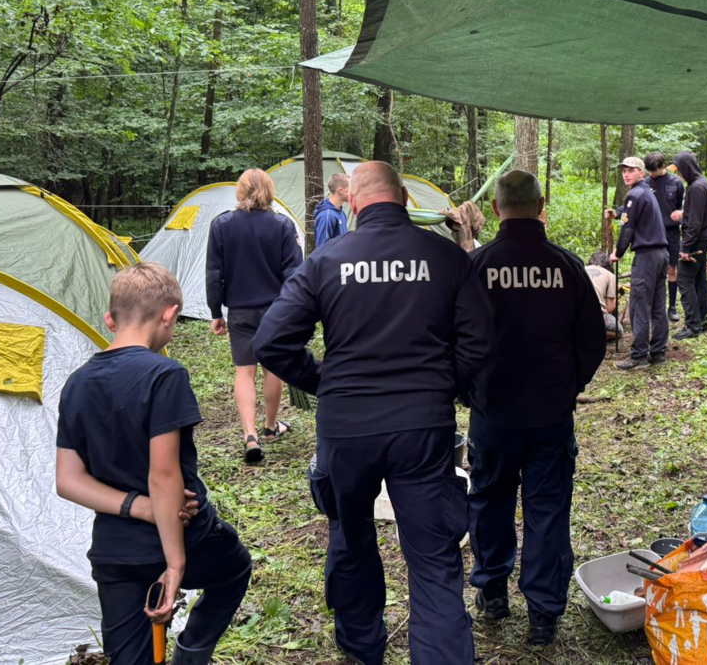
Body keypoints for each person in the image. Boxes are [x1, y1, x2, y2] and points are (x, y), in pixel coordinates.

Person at [252, 161, 494, 665]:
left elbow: (271, 341)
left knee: (351, 535)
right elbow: (481, 340)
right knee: (433, 555)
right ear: (404, 200)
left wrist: (325, 382)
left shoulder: (326, 260)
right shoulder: (447, 258)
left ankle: (362, 645)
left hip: (347, 429)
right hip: (422, 427)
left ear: (355, 204)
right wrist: (446, 385)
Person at [56, 263, 252, 665]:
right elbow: (163, 476)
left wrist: (137, 507)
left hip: (115, 551)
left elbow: (68, 480)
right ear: (169, 314)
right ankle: (191, 653)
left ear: (110, 320)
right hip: (186, 537)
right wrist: (175, 564)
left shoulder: (76, 382)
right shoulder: (165, 374)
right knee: (235, 569)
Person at [467, 170, 606, 645]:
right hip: (550, 413)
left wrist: (471, 391)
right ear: (541, 206)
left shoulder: (477, 266)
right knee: (547, 511)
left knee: (490, 500)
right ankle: (542, 614)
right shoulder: (566, 266)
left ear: (495, 209)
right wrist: (568, 386)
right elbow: (592, 340)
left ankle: (492, 593)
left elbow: (452, 340)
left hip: (493, 413)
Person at [206, 168, 301, 463]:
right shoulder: (283, 225)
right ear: (270, 190)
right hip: (276, 311)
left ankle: (250, 436)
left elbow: (214, 274)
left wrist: (215, 311)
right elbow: (294, 274)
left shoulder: (222, 224)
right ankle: (270, 428)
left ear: (240, 191)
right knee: (273, 368)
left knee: (244, 371)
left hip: (239, 311)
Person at [606, 156, 670, 370]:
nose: (626, 174)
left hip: (647, 256)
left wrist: (618, 252)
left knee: (639, 305)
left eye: (631, 170)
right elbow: (629, 216)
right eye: (624, 171)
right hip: (661, 254)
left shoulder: (634, 194)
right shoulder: (646, 192)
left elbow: (628, 228)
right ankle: (658, 352)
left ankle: (639, 356)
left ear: (641, 173)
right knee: (658, 305)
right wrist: (617, 213)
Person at [672, 151, 707, 340]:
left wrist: (686, 247)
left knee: (684, 279)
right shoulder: (699, 184)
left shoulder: (697, 187)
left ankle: (693, 325)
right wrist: (684, 215)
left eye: (680, 170)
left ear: (687, 168)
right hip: (702, 238)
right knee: (699, 278)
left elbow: (696, 222)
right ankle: (703, 320)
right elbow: (697, 214)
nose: (679, 174)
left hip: (697, 240)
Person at [643, 153, 685, 323]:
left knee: (671, 269)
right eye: (649, 171)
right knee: (652, 269)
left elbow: (681, 206)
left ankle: (672, 307)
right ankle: (653, 306)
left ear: (663, 166)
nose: (651, 174)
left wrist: (680, 214)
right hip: (651, 232)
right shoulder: (645, 183)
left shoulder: (676, 182)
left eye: (654, 171)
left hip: (671, 232)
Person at [586, 250, 622, 340]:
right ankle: (593, 336)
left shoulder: (581, 269)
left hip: (574, 315)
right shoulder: (610, 275)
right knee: (619, 331)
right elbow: (609, 308)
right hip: (596, 315)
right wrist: (615, 302)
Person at [314, 172, 351, 248]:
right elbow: (323, 249)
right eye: (350, 188)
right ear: (340, 190)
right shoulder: (326, 216)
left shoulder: (341, 212)